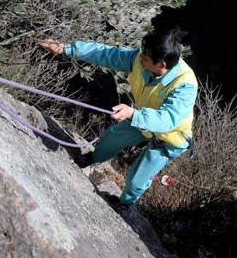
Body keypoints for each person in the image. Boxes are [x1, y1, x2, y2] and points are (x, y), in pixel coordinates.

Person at [39, 29, 198, 210]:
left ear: (161, 65)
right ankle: (92, 158)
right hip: (142, 118)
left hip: (170, 136)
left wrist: (133, 114)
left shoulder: (185, 84)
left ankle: (125, 204)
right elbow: (108, 54)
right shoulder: (141, 58)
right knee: (111, 139)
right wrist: (67, 49)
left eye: (145, 57)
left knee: (137, 178)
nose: (140, 58)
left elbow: (169, 119)